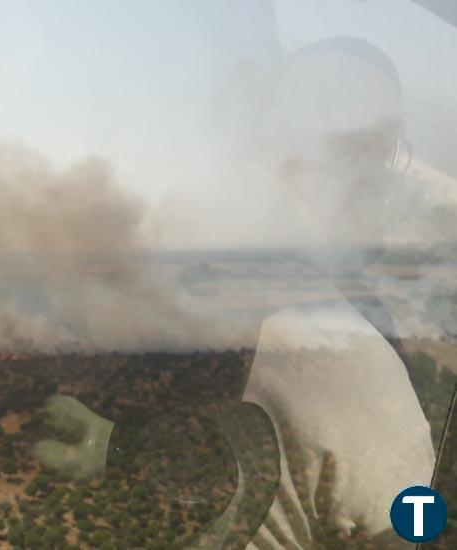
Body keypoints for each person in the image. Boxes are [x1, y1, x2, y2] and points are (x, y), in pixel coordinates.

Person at [33, 36, 434, 549]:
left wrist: (115, 445)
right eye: (383, 153)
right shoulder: (371, 385)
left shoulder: (102, 242)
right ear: (360, 172)